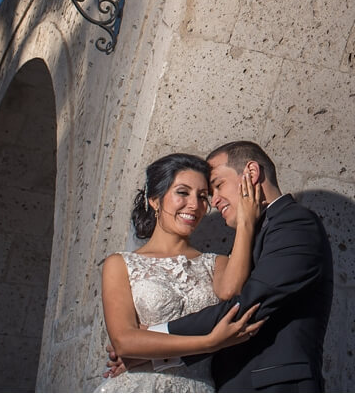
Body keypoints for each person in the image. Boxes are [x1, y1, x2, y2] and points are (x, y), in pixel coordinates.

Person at [107, 141, 334, 392]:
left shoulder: (295, 223)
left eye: (215, 188)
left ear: (251, 174)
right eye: (184, 192)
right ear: (154, 200)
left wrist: (152, 340)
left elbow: (249, 302)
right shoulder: (254, 238)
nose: (211, 202)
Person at [95, 152, 266, 393]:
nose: (195, 205)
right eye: (183, 192)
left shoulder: (217, 262)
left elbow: (232, 293)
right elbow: (124, 342)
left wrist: (246, 223)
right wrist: (209, 342)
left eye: (202, 196)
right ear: (155, 200)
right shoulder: (119, 264)